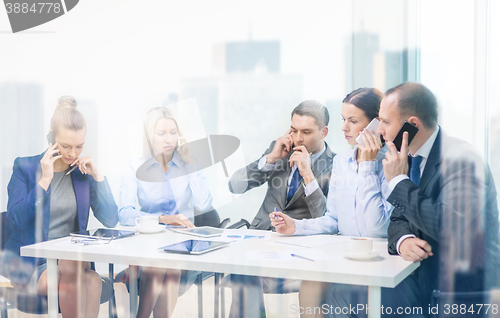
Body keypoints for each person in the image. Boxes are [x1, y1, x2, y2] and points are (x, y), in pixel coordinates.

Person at [326, 82, 499, 317]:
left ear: (412, 125)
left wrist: (398, 181)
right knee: (340, 293)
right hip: (418, 277)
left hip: (456, 291)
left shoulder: (463, 160)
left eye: (385, 122)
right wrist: (403, 240)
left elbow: (449, 227)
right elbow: (397, 220)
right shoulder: (407, 157)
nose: (379, 131)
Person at [270, 88, 393, 318]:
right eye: (343, 120)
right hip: (345, 256)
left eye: (353, 121)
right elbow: (333, 220)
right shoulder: (342, 161)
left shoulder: (391, 161)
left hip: (377, 260)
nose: (344, 127)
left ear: (376, 124)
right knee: (311, 281)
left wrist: (367, 165)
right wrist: (296, 226)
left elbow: (377, 229)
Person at [3, 96, 118, 318]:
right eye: (66, 146)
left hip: (73, 266)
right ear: (51, 137)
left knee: (93, 280)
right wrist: (44, 181)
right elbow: (15, 220)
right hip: (34, 265)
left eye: (79, 146)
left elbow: (111, 219)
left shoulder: (82, 174)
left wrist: (99, 175)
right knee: (81, 276)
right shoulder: (25, 167)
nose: (73, 154)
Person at [227, 100, 335, 318]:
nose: (298, 139)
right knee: (243, 274)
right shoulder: (280, 151)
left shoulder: (335, 164)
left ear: (324, 132)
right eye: (294, 130)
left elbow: (326, 218)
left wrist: (308, 174)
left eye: (306, 132)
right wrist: (271, 158)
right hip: (261, 242)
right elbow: (235, 186)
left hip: (300, 250)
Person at [118, 106, 213, 318]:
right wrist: (162, 219)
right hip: (150, 244)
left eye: (173, 132)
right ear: (149, 136)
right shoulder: (135, 167)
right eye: (161, 133)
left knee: (168, 265)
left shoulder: (186, 164)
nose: (168, 139)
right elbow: (124, 214)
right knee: (160, 266)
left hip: (183, 244)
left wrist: (191, 165)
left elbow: (204, 203)